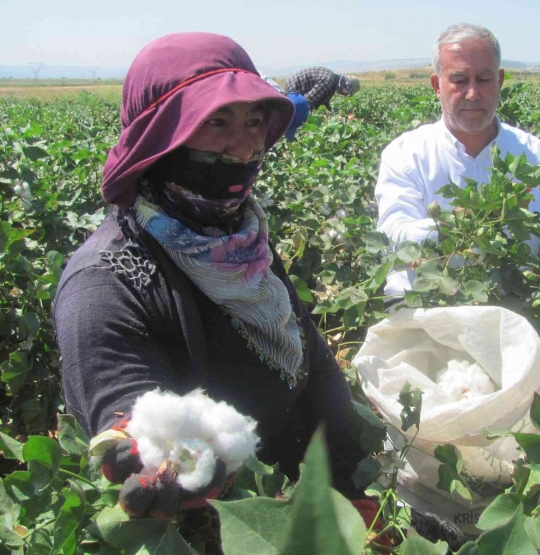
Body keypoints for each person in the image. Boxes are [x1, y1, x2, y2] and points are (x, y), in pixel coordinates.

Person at [53, 32, 369, 512]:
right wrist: (162, 456)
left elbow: (315, 364)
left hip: (310, 504)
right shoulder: (106, 280)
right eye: (215, 121)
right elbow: (127, 412)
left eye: (255, 121)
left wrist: (351, 490)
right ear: (158, 138)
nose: (243, 147)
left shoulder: (239, 238)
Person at [375, 23, 540, 297]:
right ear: (436, 86)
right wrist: (458, 222)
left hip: (516, 306)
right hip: (428, 306)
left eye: (484, 80)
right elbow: (392, 238)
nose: (473, 94)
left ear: (499, 81)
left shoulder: (530, 151)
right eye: (459, 80)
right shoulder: (406, 153)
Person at [284, 66, 360, 112]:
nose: (346, 95)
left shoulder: (333, 82)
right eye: (347, 92)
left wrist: (330, 114)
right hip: (293, 89)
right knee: (300, 112)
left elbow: (323, 102)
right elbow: (308, 100)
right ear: (344, 86)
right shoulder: (327, 81)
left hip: (301, 91)